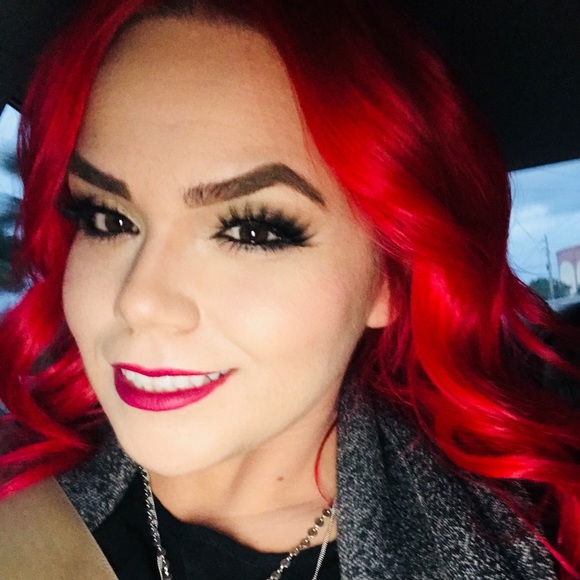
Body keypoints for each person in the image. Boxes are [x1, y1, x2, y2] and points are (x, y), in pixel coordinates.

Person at [0, 0, 578, 578]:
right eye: (106, 218)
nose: (139, 301)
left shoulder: (524, 546)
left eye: (252, 231)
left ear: (392, 277)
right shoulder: (18, 492)